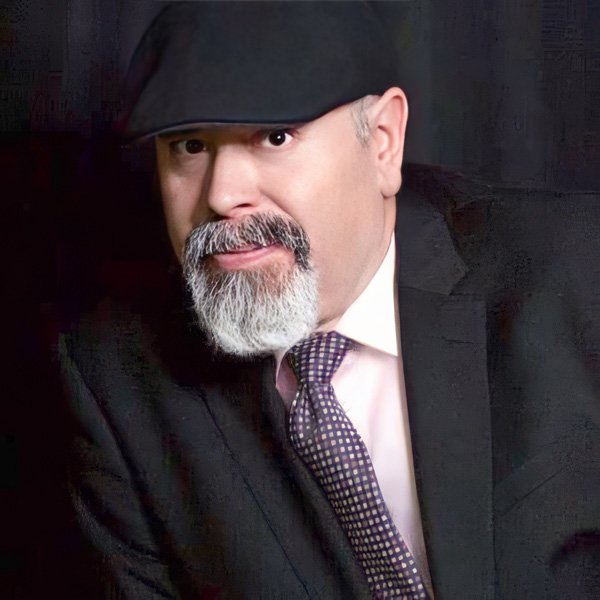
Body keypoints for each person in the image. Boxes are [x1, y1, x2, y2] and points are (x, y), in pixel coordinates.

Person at [60, 2, 600, 599]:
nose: (222, 194)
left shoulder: (577, 276)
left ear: (383, 143)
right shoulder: (115, 381)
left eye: (275, 136)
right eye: (189, 146)